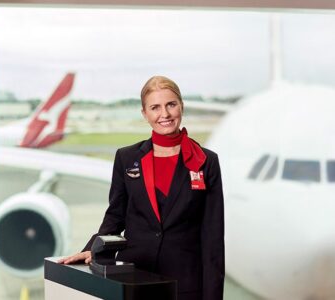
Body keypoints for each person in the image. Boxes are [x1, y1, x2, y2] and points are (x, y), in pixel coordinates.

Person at [58, 76, 225, 300]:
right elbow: (115, 216)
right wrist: (93, 248)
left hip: (185, 284)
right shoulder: (127, 158)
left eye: (171, 105)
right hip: (135, 278)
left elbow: (212, 238)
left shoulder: (206, 161)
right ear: (145, 114)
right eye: (155, 107)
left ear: (181, 107)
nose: (164, 114)